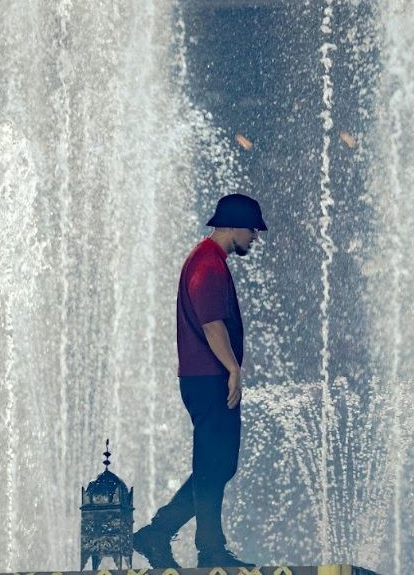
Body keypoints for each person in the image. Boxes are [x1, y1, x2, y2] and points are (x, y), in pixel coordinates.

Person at [133, 193, 267, 568]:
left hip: (205, 377)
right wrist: (233, 369)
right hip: (209, 378)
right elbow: (212, 324)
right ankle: (204, 547)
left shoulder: (208, 260)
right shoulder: (207, 263)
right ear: (235, 226)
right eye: (252, 230)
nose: (255, 237)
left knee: (218, 465)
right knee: (215, 465)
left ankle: (161, 534)